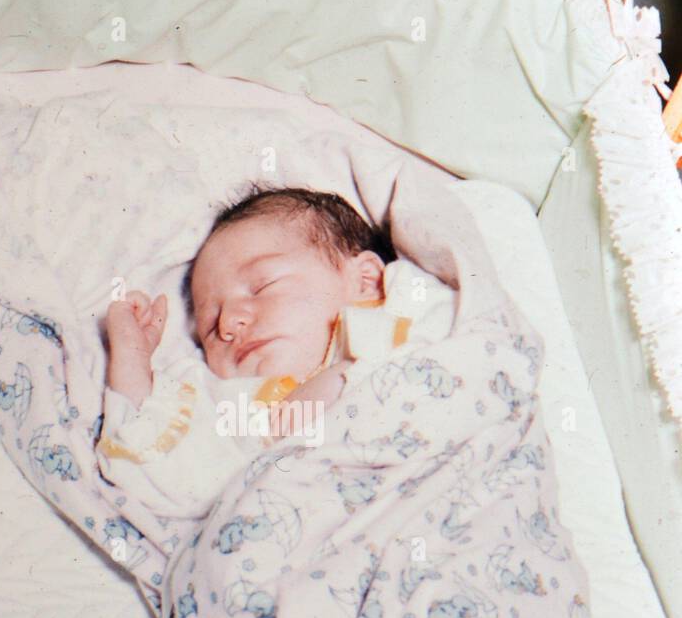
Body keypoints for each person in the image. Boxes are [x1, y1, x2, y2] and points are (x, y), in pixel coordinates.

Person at [95, 186, 455, 517]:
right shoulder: (238, 407)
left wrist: (346, 375)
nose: (230, 323)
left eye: (262, 286)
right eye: (210, 326)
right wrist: (131, 356)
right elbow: (152, 470)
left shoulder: (410, 311)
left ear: (365, 279)